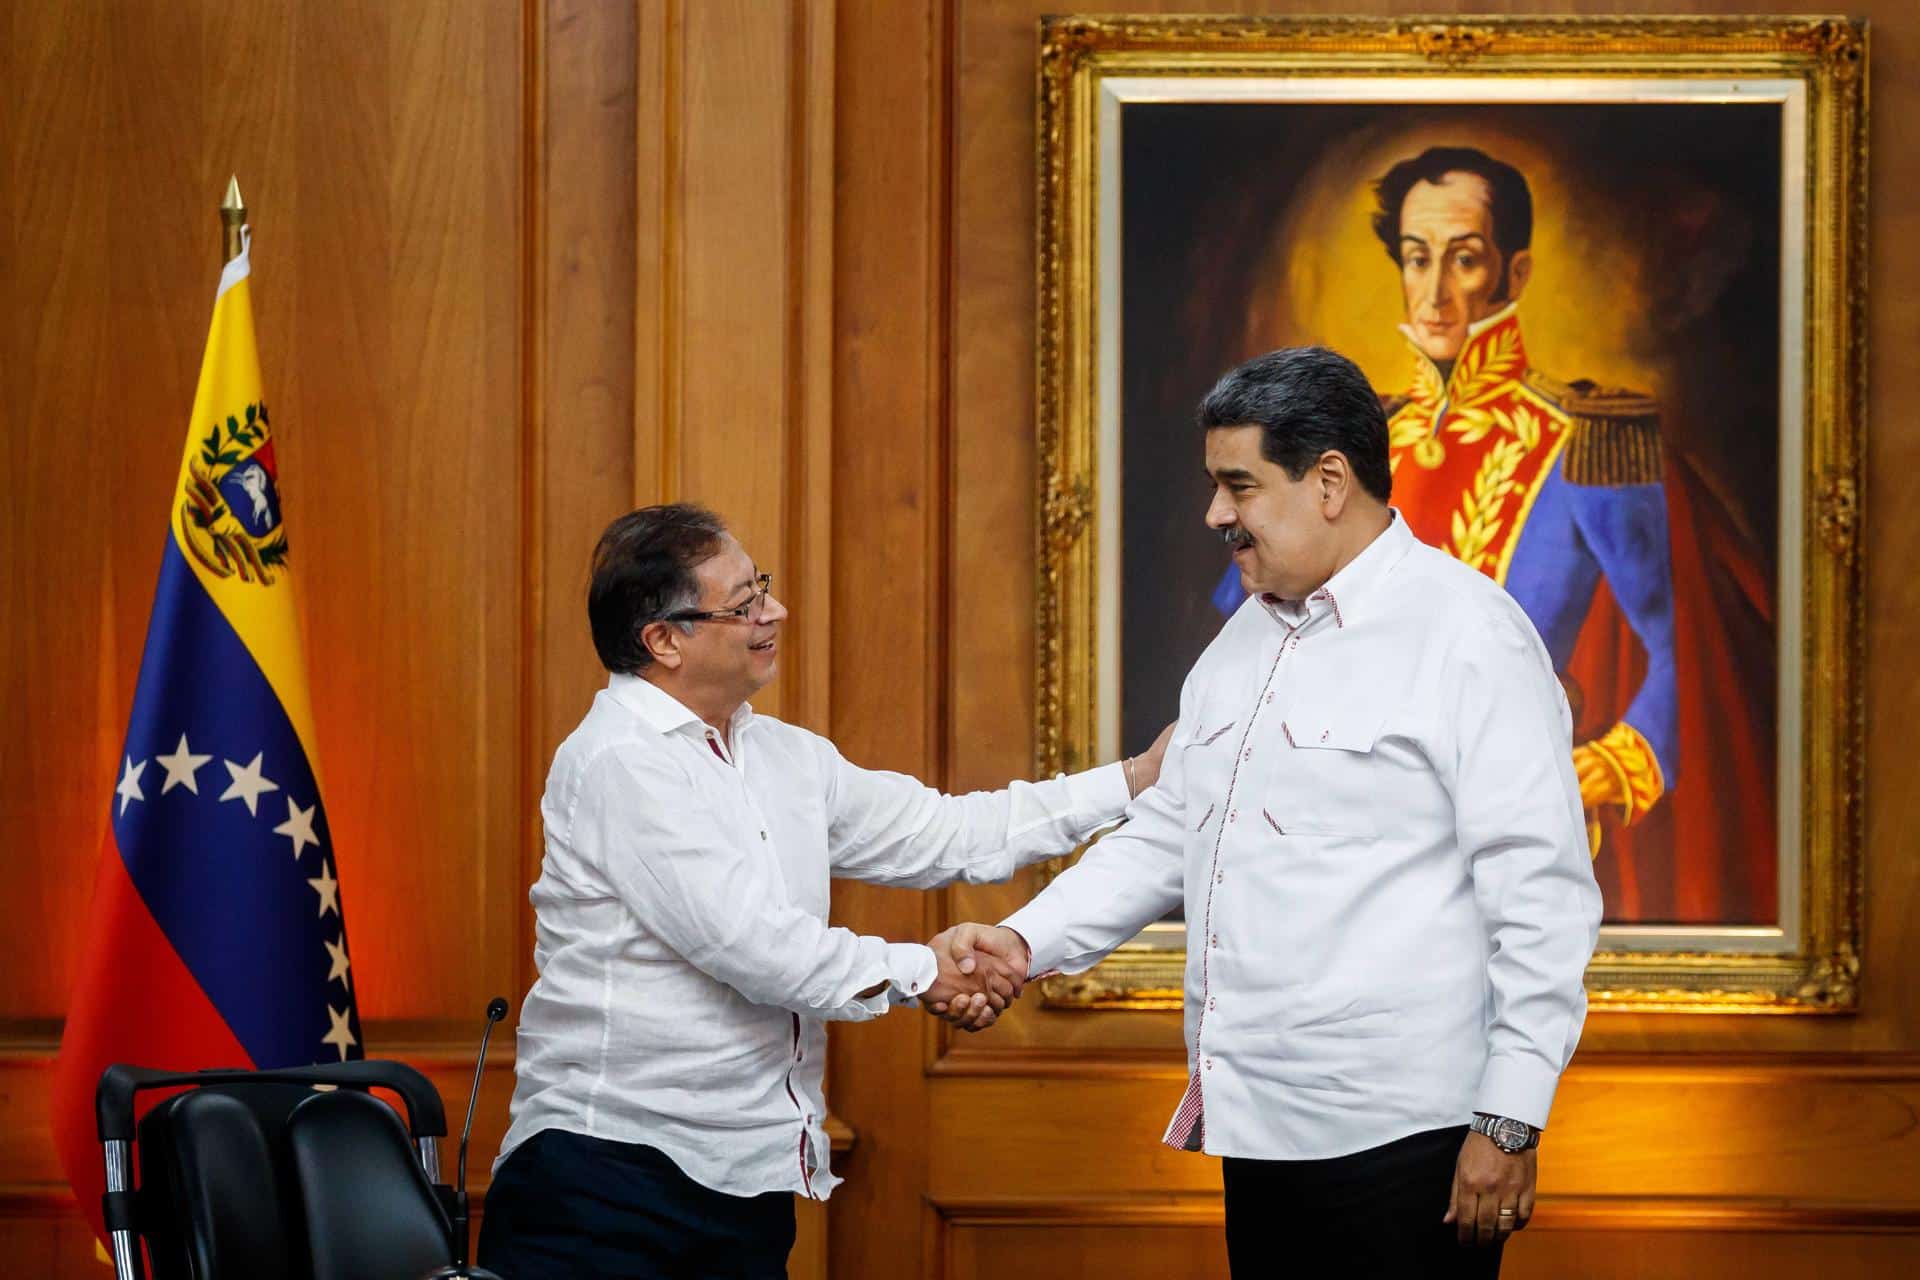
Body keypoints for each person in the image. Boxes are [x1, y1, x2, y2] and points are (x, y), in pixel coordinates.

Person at [950, 347, 1603, 1277]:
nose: (1217, 513)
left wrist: (1510, 1116)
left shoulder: (1471, 636)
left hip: (1405, 1144)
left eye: (1238, 486)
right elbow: (1173, 829)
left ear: (1329, 481)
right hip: (1258, 1132)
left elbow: (1543, 900)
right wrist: (1024, 943)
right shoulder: (1241, 642)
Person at [477, 503, 1169, 1279]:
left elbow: (945, 832)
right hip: (608, 1183)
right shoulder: (618, 761)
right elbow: (755, 947)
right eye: (742, 605)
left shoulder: (783, 755)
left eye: (762, 587)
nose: (774, 611)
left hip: (745, 1180)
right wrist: (927, 972)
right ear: (663, 640)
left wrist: (1133, 781)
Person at [1213, 145, 1678, 861]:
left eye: (1463, 259)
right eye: (1416, 257)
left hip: (1507, 835)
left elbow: (1676, 650)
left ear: (1513, 273)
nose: (1433, 293)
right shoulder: (1347, 445)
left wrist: (1608, 768)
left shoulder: (1585, 440)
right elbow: (1241, 637)